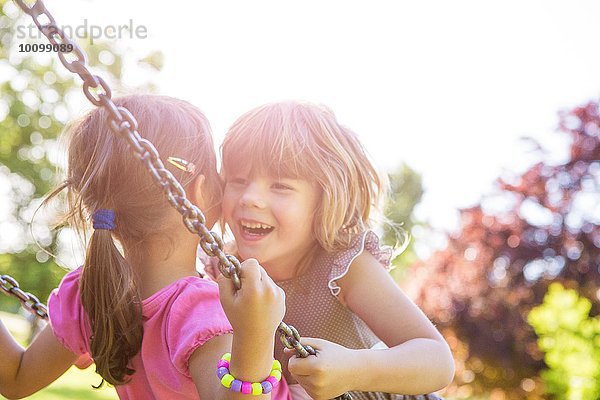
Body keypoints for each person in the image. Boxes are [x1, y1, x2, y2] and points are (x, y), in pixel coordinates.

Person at [0, 95, 290, 400]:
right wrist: (255, 335)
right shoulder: (198, 311)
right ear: (199, 193)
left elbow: (15, 378)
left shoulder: (92, 293)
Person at [219, 101, 455, 399]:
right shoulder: (225, 274)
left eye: (280, 186)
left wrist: (355, 368)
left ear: (324, 199)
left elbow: (437, 360)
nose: (250, 198)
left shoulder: (342, 266)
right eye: (238, 181)